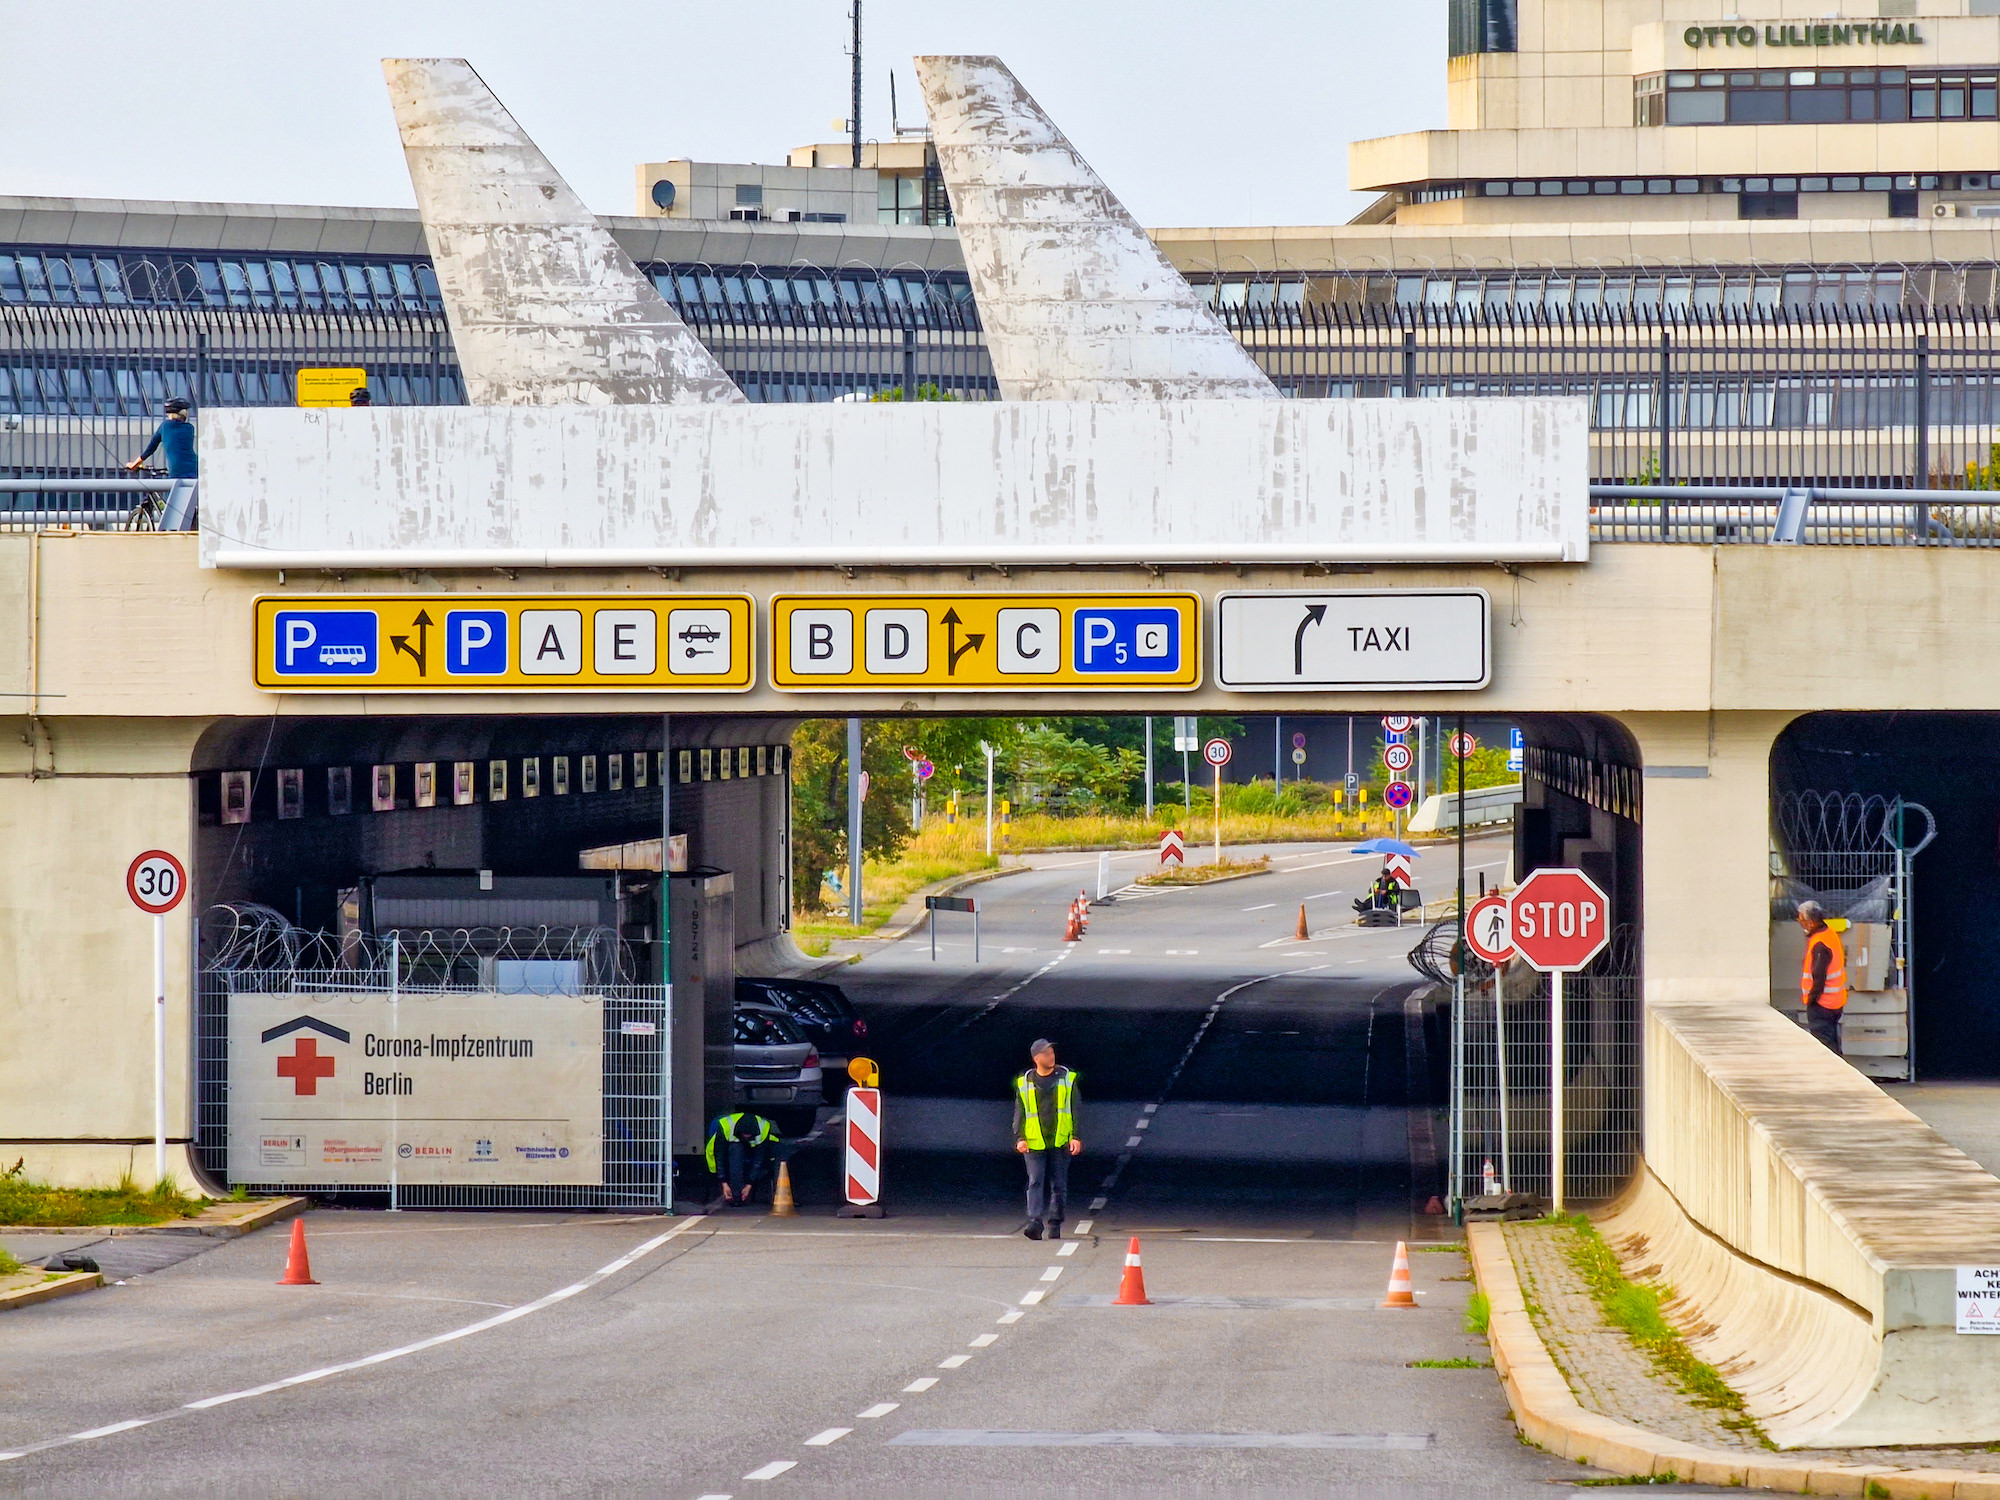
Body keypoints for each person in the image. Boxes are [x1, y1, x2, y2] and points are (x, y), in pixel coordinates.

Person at [1012, 1039, 1081, 1241]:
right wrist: (1020, 1137)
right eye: (1046, 1054)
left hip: (1060, 1140)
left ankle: (1055, 1222)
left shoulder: (1067, 1078)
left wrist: (1075, 1136)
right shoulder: (1025, 1082)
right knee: (1035, 1181)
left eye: (1052, 1052)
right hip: (1034, 1141)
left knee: (1058, 1184)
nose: (1051, 1056)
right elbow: (1020, 1112)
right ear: (1036, 1058)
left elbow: (1075, 1109)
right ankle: (1034, 1222)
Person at [126, 397, 198, 530]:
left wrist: (134, 464)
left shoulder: (165, 426)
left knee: (174, 507)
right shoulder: (190, 428)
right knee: (189, 506)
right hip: (194, 467)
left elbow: (150, 449)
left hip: (177, 471)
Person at [1797, 900, 1847, 1055]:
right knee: (1832, 1042)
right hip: (1834, 1002)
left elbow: (1818, 977)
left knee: (1825, 1048)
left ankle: (1836, 1076)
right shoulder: (1829, 934)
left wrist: (1811, 1000)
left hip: (1822, 1004)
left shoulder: (1820, 943)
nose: (1800, 922)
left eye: (1801, 919)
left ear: (1811, 923)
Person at [705, 1109, 779, 1205]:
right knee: (736, 1149)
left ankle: (744, 1192)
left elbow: (758, 1160)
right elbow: (720, 1157)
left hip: (753, 1149)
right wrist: (723, 1183)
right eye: (744, 1136)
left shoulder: (764, 1128)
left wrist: (749, 1184)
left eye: (749, 1136)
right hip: (729, 1150)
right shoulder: (725, 1127)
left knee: (779, 1151)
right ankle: (736, 1195)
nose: (746, 1138)